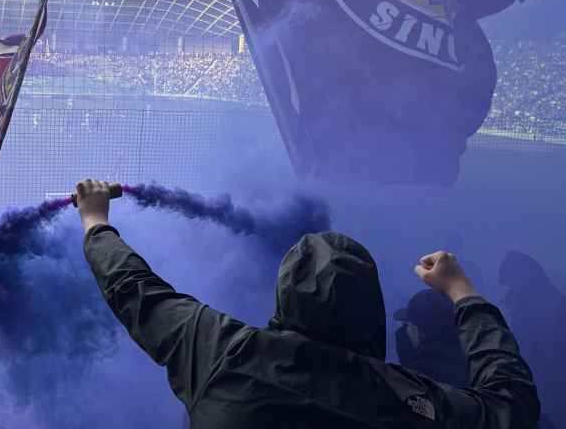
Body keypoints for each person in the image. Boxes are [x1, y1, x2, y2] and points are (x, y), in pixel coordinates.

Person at [74, 179, 539, 429]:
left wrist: (96, 221)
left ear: (285, 294)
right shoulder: (409, 401)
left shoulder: (223, 351)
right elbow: (511, 405)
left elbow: (134, 287)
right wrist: (463, 293)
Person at [499, 250, 566, 427]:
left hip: (549, 381)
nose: (509, 290)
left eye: (511, 284)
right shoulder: (527, 304)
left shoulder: (552, 307)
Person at [394, 288, 468, 386]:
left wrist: (408, 357)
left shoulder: (424, 375)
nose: (405, 330)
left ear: (420, 332)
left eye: (408, 325)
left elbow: (414, 389)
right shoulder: (472, 356)